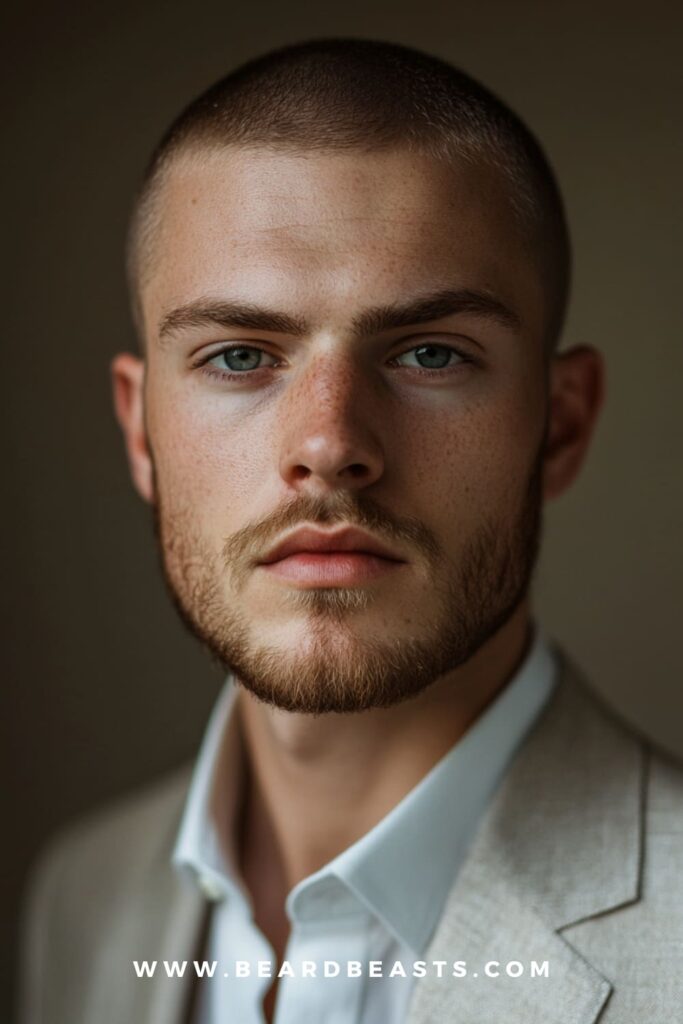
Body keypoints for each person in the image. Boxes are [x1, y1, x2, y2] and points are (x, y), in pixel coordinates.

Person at [18, 37, 683, 1024]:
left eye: (428, 353)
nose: (328, 444)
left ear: (562, 423)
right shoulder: (81, 895)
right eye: (240, 354)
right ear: (140, 428)